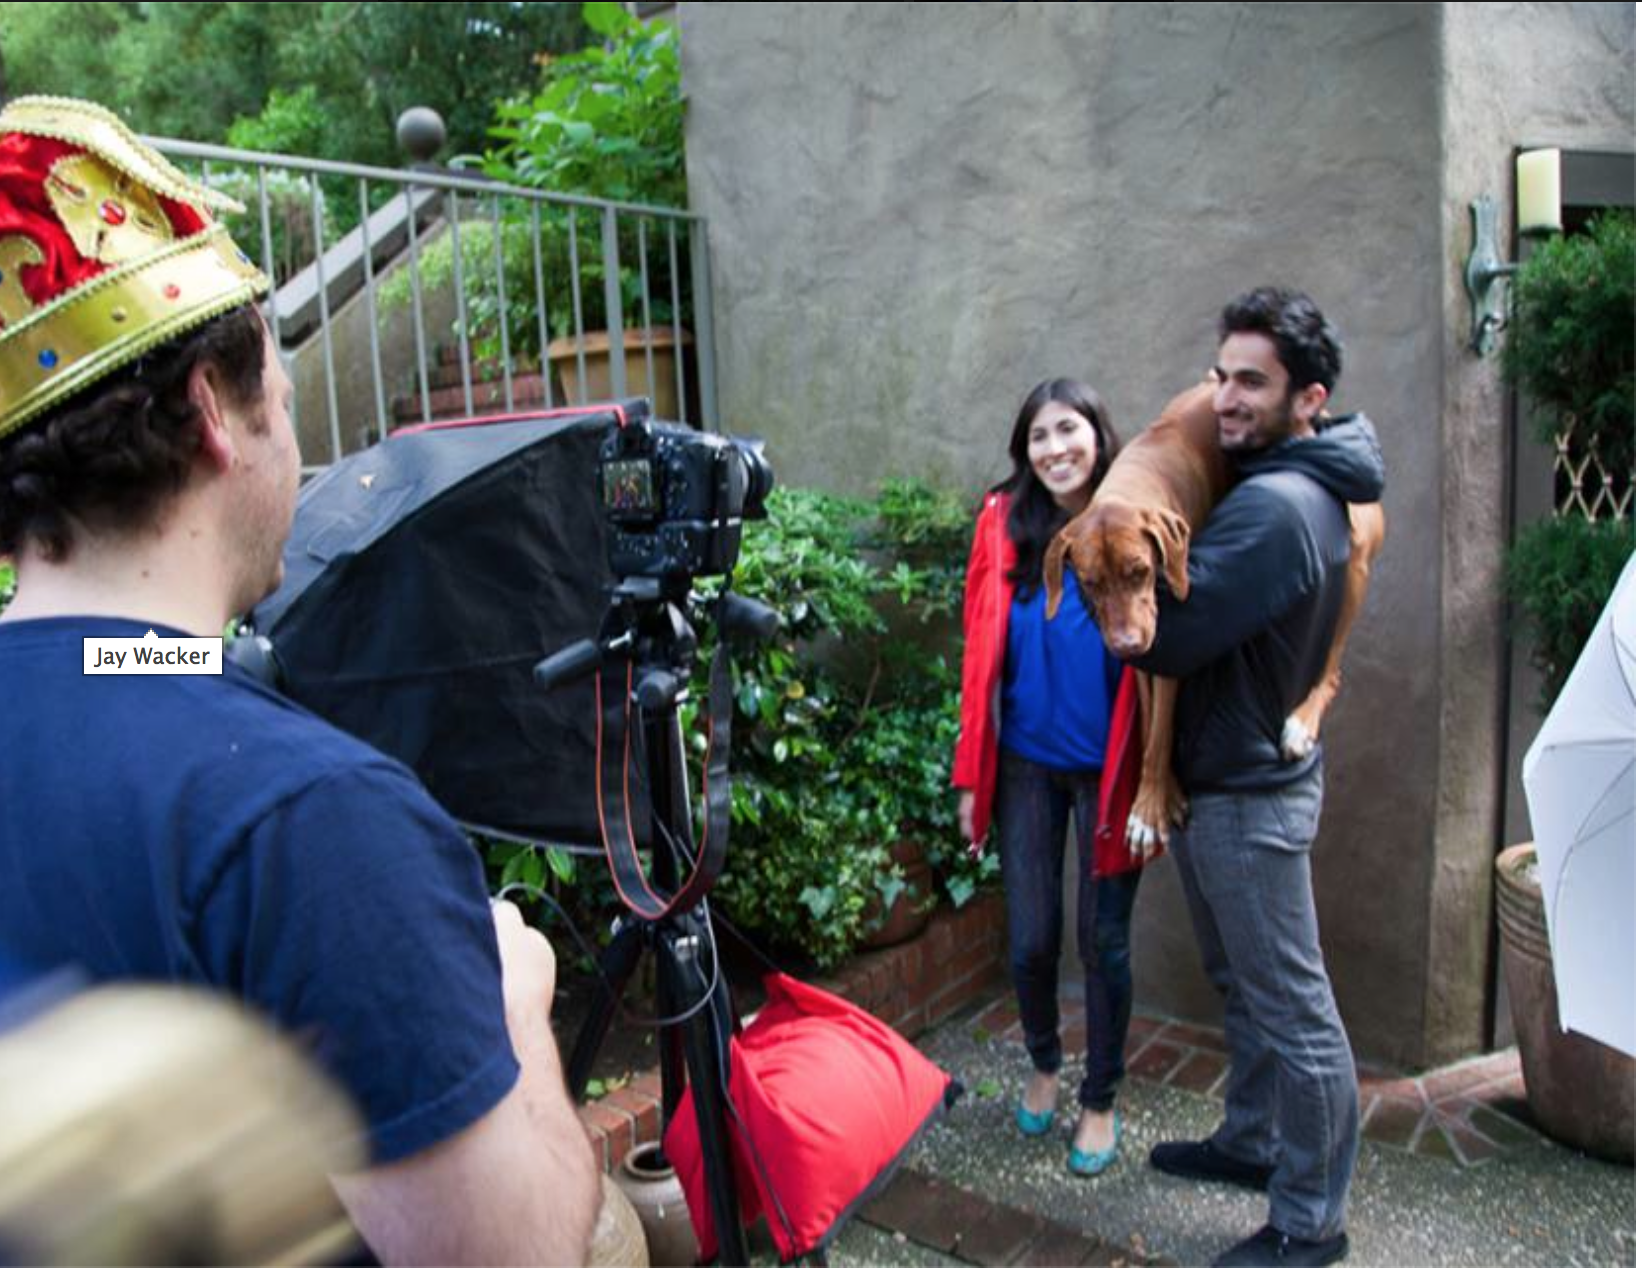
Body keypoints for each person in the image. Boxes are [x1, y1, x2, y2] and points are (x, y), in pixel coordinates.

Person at [0, 96, 599, 1264]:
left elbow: (117, 670)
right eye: (280, 394)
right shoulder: (312, 817)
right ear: (210, 412)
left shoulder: (137, 682)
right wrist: (514, 1004)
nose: (292, 432)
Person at [1132, 287, 1385, 1268]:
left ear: (1308, 399)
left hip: (1248, 798)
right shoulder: (1276, 478)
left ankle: (1309, 1220)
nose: (1225, 397)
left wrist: (1109, 565)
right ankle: (1252, 1139)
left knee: (1293, 1008)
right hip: (1225, 779)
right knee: (1242, 981)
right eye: (1220, 375)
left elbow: (1165, 637)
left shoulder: (1277, 509)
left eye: (1252, 382)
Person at [952, 378, 1147, 1177]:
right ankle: (1043, 1060)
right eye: (1039, 435)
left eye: (1069, 429)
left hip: (1111, 772)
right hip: (1025, 767)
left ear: (1098, 434)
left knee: (1103, 943)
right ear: (1023, 449)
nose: (1056, 448)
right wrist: (971, 777)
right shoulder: (1003, 522)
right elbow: (977, 656)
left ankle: (1099, 1099)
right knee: (1031, 939)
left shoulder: (1132, 516)